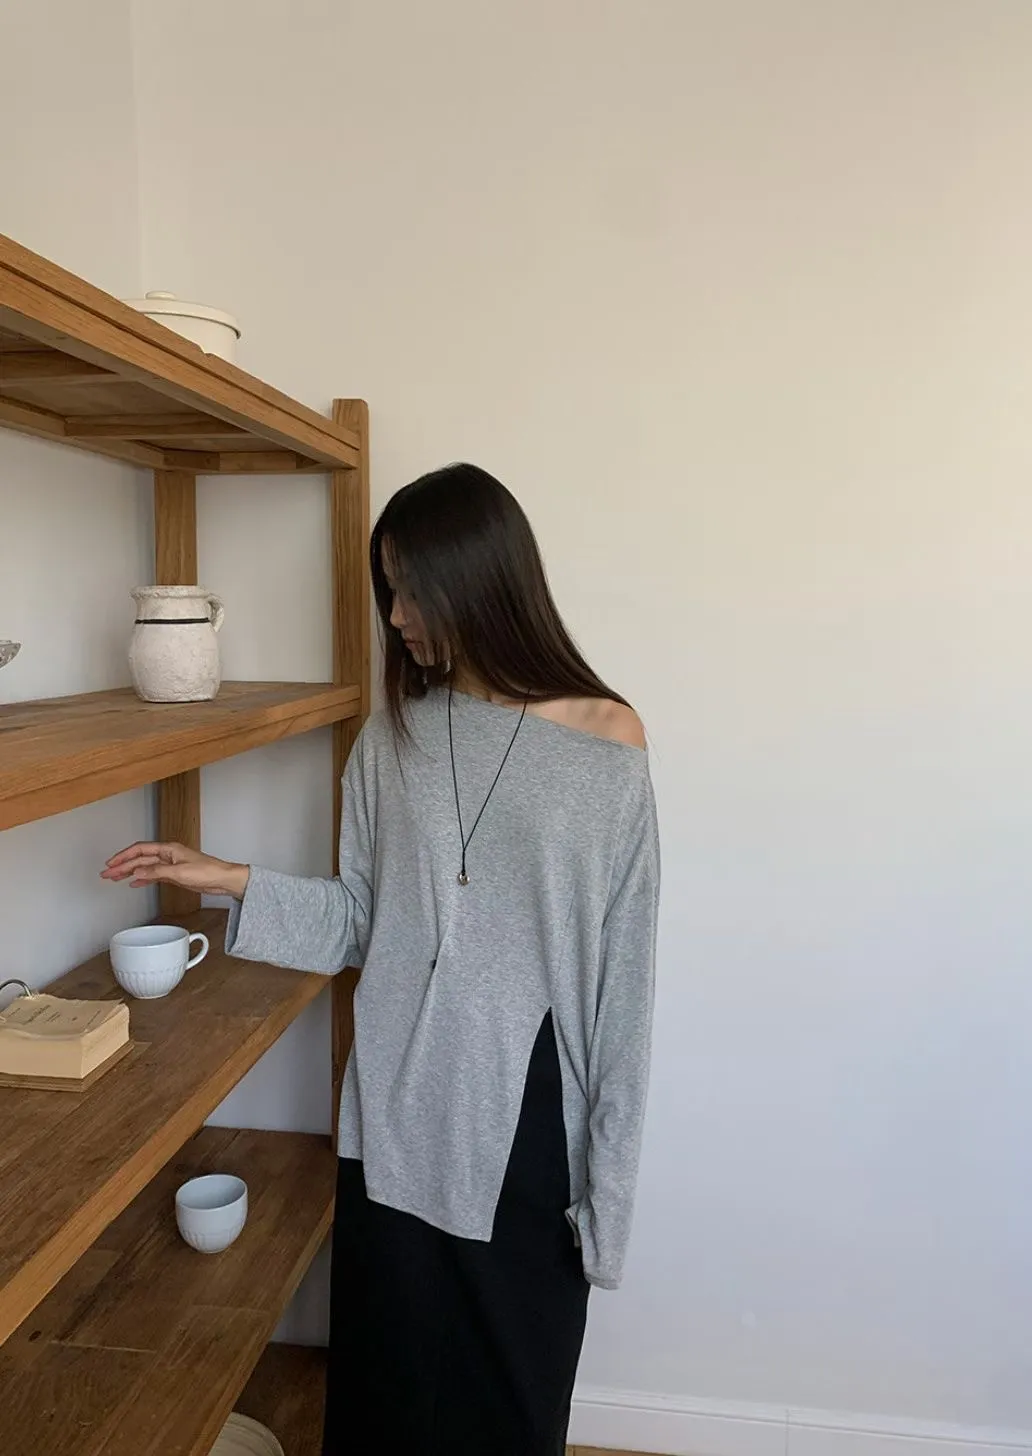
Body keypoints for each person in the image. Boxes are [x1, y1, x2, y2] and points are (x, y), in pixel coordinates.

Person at [103, 463, 660, 1456]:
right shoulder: (390, 739)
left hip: (526, 1133)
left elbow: (624, 991)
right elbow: (361, 921)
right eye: (388, 588)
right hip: (395, 1113)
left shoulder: (608, 742)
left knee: (509, 1410)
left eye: (412, 589)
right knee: (384, 1402)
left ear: (480, 579)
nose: (396, 615)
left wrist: (607, 1197)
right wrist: (226, 877)